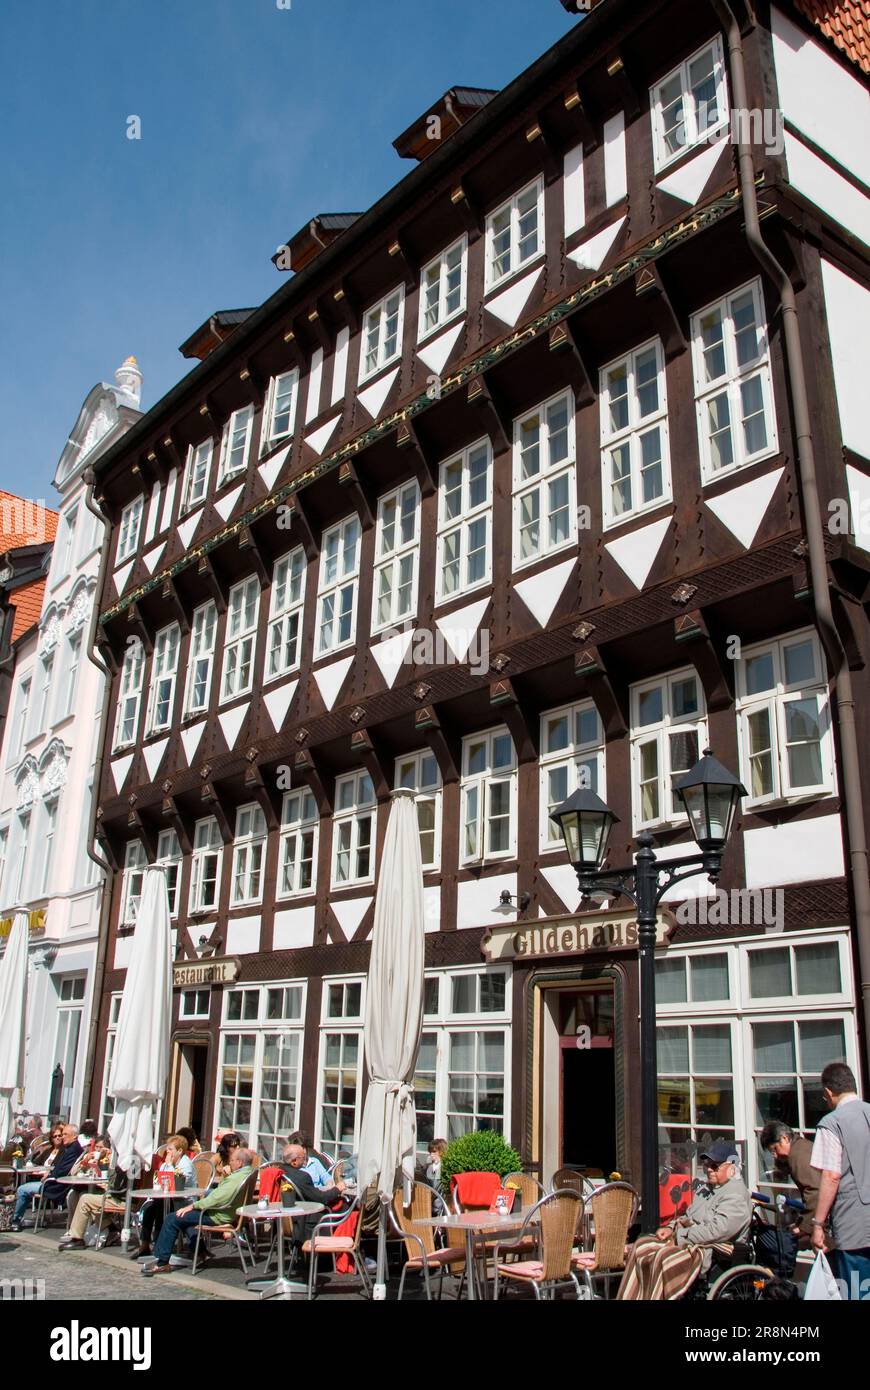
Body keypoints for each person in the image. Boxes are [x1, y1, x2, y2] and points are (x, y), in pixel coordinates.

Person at [617, 1139, 752, 1300]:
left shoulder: (735, 1194)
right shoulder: (705, 1189)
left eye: (715, 1166)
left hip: (713, 1248)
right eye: (707, 1164)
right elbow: (688, 1216)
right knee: (642, 1246)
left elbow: (718, 1230)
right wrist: (670, 1228)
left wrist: (680, 1237)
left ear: (732, 1168)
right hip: (692, 1239)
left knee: (663, 1257)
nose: (709, 1169)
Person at [142, 1147, 256, 1276]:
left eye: (232, 1160)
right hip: (225, 1212)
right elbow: (222, 1195)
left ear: (240, 1162)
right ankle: (201, 1251)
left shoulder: (237, 1177)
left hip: (217, 1214)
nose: (230, 1162)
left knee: (171, 1219)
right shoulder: (248, 1173)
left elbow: (218, 1198)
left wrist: (194, 1206)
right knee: (184, 1217)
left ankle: (162, 1262)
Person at [810, 1061, 870, 1300]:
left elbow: (831, 1175)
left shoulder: (832, 1122)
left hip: (854, 1224)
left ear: (828, 1093)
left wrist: (818, 1224)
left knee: (858, 1292)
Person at [760, 1120, 820, 1272]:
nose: (774, 1154)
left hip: (827, 1222)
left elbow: (815, 1192)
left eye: (775, 1148)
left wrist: (803, 1227)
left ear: (785, 1138)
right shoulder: (800, 1149)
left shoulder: (799, 1156)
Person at [132, 1135, 197, 1260]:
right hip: (170, 1199)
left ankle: (159, 1246)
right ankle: (145, 1245)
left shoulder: (186, 1164)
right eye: (168, 1149)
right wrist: (167, 1165)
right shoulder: (169, 1163)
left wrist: (169, 1165)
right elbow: (161, 1175)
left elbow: (175, 1183)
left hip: (184, 1201)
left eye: (171, 1149)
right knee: (151, 1208)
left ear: (179, 1151)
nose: (168, 1152)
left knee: (161, 1209)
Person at [11, 1123, 81, 1232]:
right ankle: (16, 1217)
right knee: (25, 1187)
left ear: (74, 1136)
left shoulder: (71, 1150)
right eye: (60, 1135)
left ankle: (15, 1220)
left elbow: (63, 1171)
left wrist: (49, 1176)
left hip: (54, 1185)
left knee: (21, 1189)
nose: (62, 1137)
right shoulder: (72, 1148)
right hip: (54, 1181)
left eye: (65, 1134)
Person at [280, 1142, 348, 1242]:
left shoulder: (281, 1171)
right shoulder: (302, 1177)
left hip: (289, 1216)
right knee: (346, 1208)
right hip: (307, 1219)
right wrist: (337, 1189)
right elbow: (321, 1198)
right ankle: (337, 1249)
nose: (305, 1160)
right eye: (303, 1158)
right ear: (294, 1161)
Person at [58, 1166, 129, 1251]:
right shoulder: (133, 1163)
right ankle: (112, 1230)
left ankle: (77, 1239)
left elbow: (118, 1186)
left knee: (85, 1199)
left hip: (122, 1200)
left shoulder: (128, 1163)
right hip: (122, 1197)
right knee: (85, 1197)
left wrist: (111, 1177)